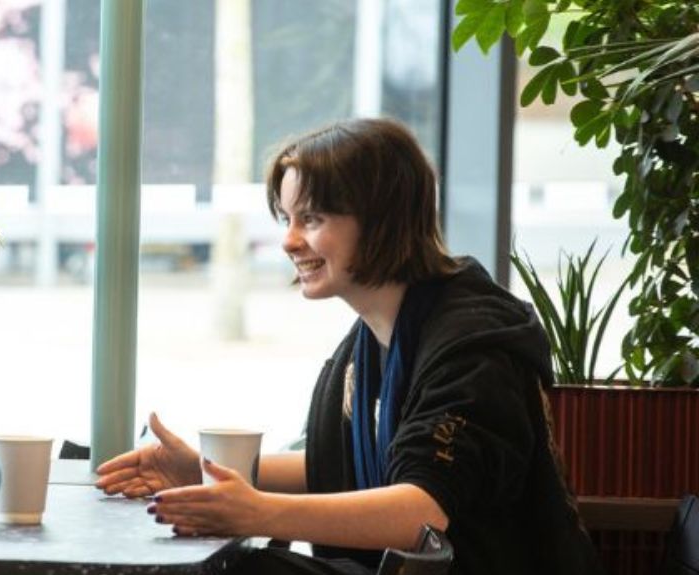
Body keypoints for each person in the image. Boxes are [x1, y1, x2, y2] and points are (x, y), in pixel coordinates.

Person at [95, 118, 602, 575]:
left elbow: (422, 510)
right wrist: (202, 472)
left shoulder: (472, 345)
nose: (289, 241)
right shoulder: (375, 338)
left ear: (382, 219)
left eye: (311, 219)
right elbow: (334, 466)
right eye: (287, 219)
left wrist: (256, 510)